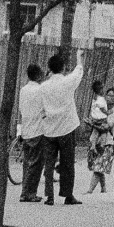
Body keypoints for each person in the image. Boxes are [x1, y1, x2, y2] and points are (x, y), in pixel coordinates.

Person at [39, 51, 85, 205]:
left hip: (49, 129)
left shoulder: (43, 86)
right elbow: (78, 72)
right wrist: (79, 57)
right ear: (64, 67)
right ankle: (67, 194)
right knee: (67, 162)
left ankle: (48, 195)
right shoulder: (67, 82)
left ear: (49, 68)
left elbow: (40, 108)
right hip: (67, 127)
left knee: (49, 163)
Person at [15, 64, 50, 202]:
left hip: (26, 130)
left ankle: (25, 190)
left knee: (27, 163)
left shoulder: (24, 90)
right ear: (39, 75)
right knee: (36, 164)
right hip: (38, 130)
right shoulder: (40, 90)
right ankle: (29, 193)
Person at [85, 86, 114, 196]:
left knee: (99, 166)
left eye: (112, 96)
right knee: (99, 166)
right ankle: (103, 188)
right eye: (108, 95)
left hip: (107, 141)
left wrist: (92, 124)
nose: (108, 97)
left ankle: (90, 190)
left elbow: (107, 127)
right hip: (96, 140)